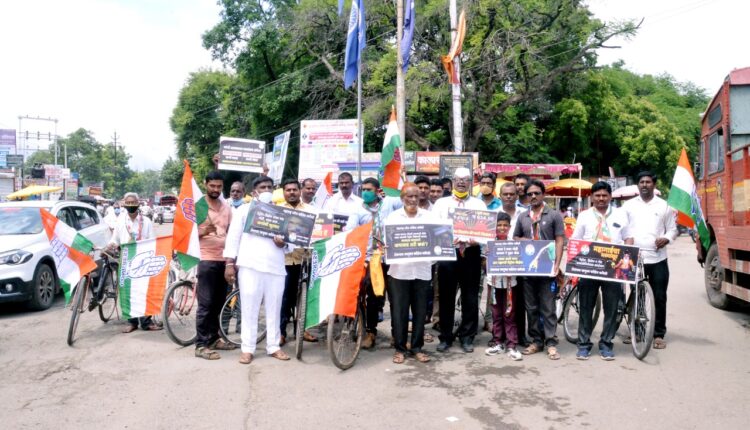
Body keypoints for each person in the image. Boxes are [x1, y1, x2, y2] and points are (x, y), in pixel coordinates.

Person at [224, 176, 291, 364]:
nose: (267, 190)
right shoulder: (245, 210)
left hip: (275, 267)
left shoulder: (282, 212)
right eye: (263, 187)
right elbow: (233, 237)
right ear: (254, 192)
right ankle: (247, 348)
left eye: (270, 187)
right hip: (250, 266)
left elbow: (290, 243)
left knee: (274, 308)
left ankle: (273, 346)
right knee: (249, 308)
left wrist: (283, 243)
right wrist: (230, 263)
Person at [571, 181, 633, 360]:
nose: (601, 199)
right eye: (597, 195)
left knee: (612, 308)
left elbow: (628, 237)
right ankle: (583, 344)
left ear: (610, 197)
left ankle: (606, 343)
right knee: (586, 307)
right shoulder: (584, 216)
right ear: (591, 197)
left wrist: (628, 256)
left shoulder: (621, 215)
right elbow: (576, 240)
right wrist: (575, 268)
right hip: (589, 268)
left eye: (604, 195)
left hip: (614, 269)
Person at [433, 167, 486, 353]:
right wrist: (446, 238)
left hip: (471, 254)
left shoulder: (479, 205)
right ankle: (445, 336)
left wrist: (476, 240)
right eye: (458, 179)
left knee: (470, 297)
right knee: (446, 296)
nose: (461, 182)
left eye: (465, 179)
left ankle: (467, 337)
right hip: (448, 253)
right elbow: (434, 228)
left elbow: (486, 233)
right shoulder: (441, 204)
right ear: (453, 181)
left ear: (470, 182)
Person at [344, 177, 402, 349]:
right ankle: (371, 333)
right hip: (371, 260)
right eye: (363, 189)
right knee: (373, 298)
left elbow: (408, 198)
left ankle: (396, 334)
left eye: (369, 189)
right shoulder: (358, 209)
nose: (366, 192)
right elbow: (350, 230)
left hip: (392, 258)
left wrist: (402, 181)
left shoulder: (390, 203)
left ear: (378, 191)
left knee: (396, 298)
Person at [623, 171, 677, 350]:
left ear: (654, 184)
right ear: (638, 185)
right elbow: (622, 228)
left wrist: (667, 238)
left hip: (658, 258)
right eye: (641, 182)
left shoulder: (665, 206)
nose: (644, 185)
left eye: (648, 182)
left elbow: (672, 229)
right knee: (637, 295)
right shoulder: (628, 206)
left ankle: (659, 334)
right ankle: (636, 331)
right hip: (634, 258)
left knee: (660, 297)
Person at [513, 179, 564, 360]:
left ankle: (551, 342)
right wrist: (523, 241)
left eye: (536, 193)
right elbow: (515, 238)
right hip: (528, 269)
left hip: (547, 267)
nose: (533, 196)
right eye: (529, 194)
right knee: (531, 307)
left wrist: (557, 264)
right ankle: (536, 340)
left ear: (544, 194)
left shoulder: (554, 215)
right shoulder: (522, 217)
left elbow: (559, 240)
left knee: (548, 307)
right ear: (526, 197)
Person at [384, 183, 433, 364]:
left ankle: (417, 347)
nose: (413, 200)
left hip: (422, 271)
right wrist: (388, 249)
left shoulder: (429, 217)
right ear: (402, 198)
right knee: (399, 312)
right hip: (399, 272)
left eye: (416, 196)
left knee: (420, 312)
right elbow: (387, 243)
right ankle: (400, 348)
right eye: (409, 196)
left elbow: (435, 242)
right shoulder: (393, 218)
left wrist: (431, 258)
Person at [194, 171, 236, 360]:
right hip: (206, 259)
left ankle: (214, 338)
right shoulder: (199, 205)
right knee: (206, 304)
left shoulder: (226, 207)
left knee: (220, 303)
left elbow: (232, 234)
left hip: (224, 260)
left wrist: (231, 262)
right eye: (212, 186)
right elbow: (185, 235)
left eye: (219, 187)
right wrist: (203, 231)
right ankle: (201, 345)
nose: (216, 190)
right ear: (205, 184)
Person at [108, 192, 159, 333]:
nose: (131, 206)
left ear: (138, 203)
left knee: (144, 291)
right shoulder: (120, 221)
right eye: (128, 203)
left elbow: (151, 240)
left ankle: (146, 322)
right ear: (124, 204)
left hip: (142, 261)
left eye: (133, 203)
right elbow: (115, 239)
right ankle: (132, 322)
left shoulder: (146, 222)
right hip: (125, 260)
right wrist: (110, 245)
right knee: (128, 292)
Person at [277, 179, 318, 346]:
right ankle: (281, 332)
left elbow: (320, 232)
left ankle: (302, 330)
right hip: (284, 261)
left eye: (294, 189)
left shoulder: (311, 211)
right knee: (285, 298)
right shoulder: (278, 212)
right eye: (288, 190)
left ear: (300, 191)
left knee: (305, 297)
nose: (292, 192)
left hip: (305, 260)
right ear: (284, 192)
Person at [484, 212, 523, 361]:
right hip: (493, 284)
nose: (501, 228)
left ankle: (512, 345)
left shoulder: (514, 244)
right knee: (496, 314)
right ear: (494, 227)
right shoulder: (488, 244)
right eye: (499, 225)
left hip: (509, 284)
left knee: (509, 314)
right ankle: (498, 342)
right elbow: (483, 265)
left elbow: (520, 263)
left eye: (505, 225)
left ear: (509, 227)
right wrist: (487, 256)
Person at [497, 182, 529, 346]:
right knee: (498, 303)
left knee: (519, 301)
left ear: (517, 196)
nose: (508, 196)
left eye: (512, 194)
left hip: (521, 263)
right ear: (500, 196)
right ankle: (499, 336)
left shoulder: (525, 214)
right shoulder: (493, 214)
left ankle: (520, 336)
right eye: (505, 194)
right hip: (498, 264)